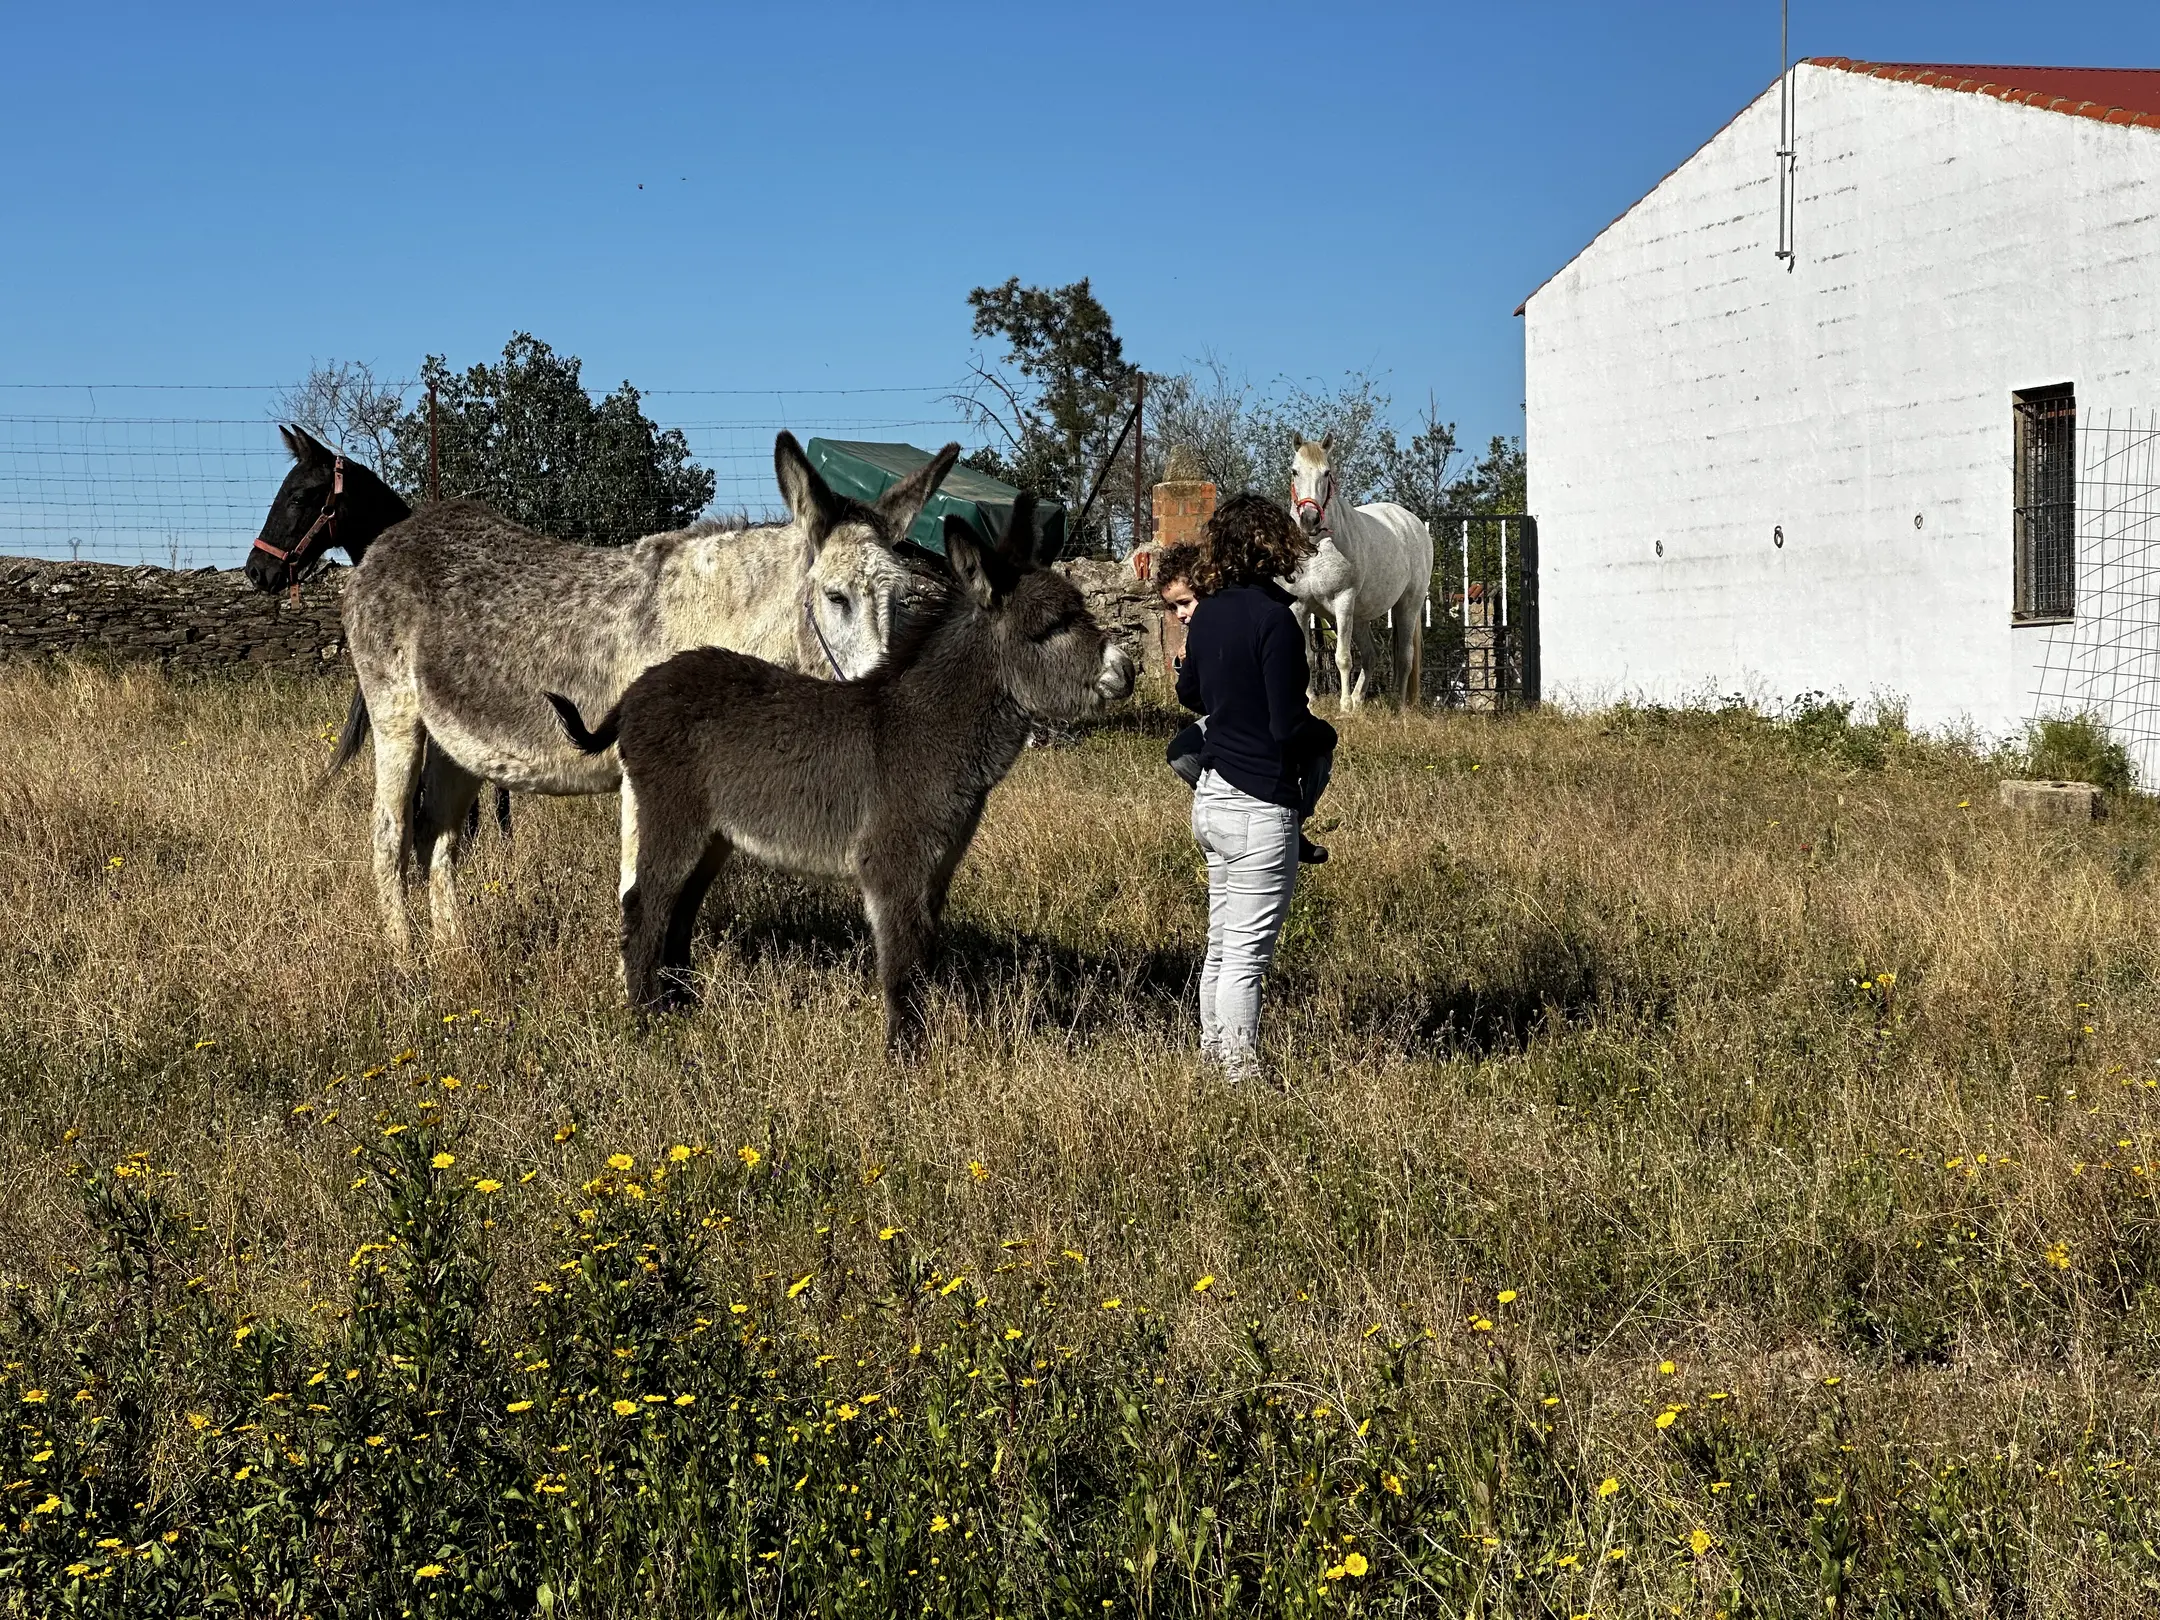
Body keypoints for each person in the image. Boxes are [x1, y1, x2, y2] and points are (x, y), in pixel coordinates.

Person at [1171, 494, 1338, 1081]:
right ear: (1274, 546)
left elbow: (1190, 696)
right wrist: (1327, 734)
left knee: (1222, 944)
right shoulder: (1277, 622)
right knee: (1246, 954)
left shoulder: (1209, 613)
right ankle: (1240, 1079)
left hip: (1211, 797)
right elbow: (1287, 726)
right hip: (1258, 805)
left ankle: (1215, 1060)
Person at [1156, 540, 1331, 863]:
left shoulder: (1243, 620)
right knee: (1180, 754)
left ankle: (1295, 820)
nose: (1181, 614)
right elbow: (1193, 696)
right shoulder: (1202, 630)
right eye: (1173, 607)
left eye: (1185, 602)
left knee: (1316, 752)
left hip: (1265, 716)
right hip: (1230, 724)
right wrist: (1187, 666)